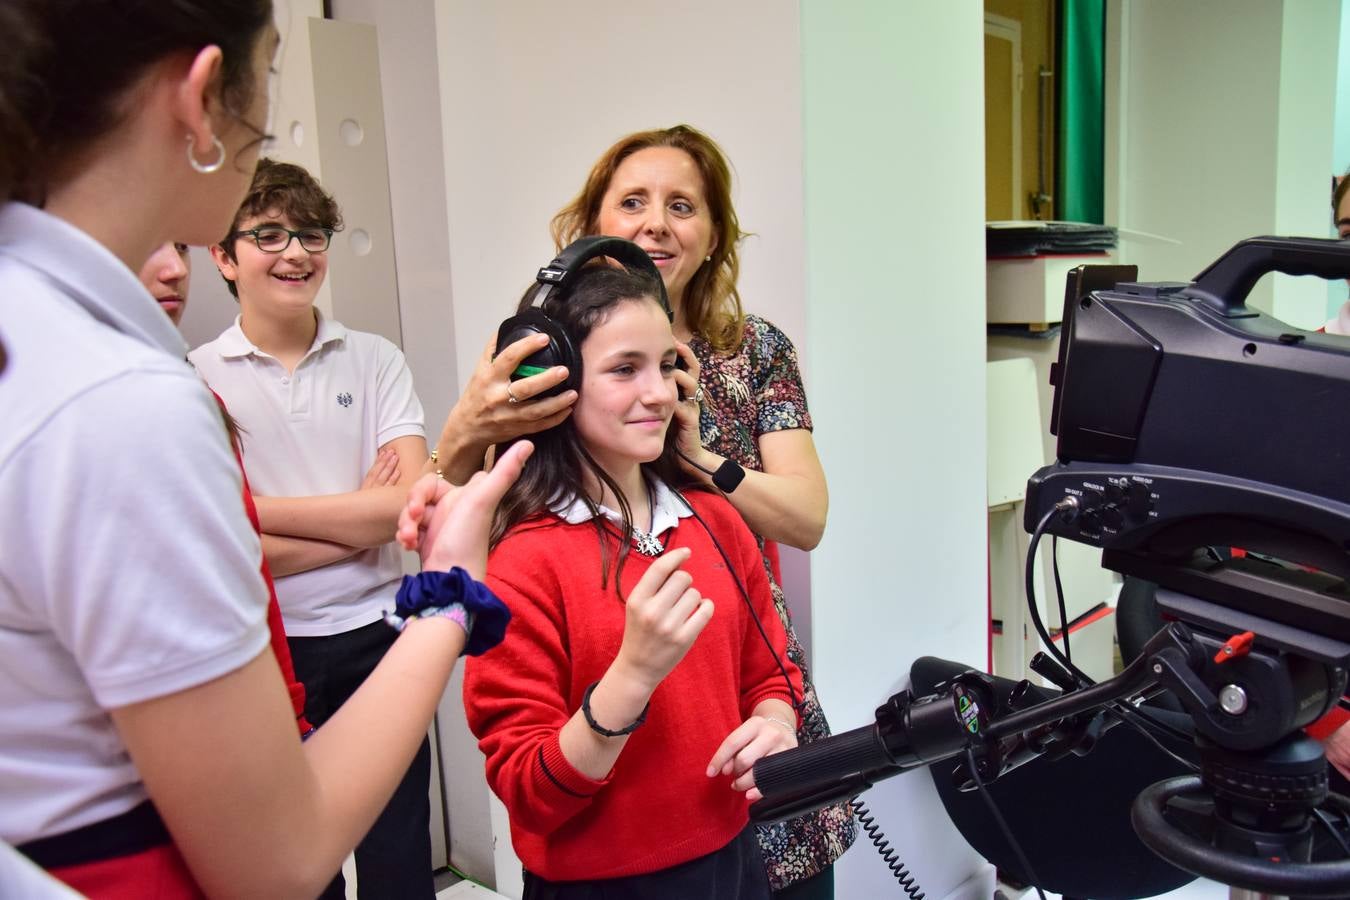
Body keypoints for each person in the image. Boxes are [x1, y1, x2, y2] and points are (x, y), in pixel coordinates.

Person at [0, 4, 528, 897]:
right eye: (270, 87)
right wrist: (450, 587)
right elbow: (273, 863)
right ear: (204, 95)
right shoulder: (127, 402)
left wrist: (266, 522)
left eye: (309, 234)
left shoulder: (39, 338)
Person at [555, 125, 854, 898]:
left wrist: (706, 466)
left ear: (714, 232)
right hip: (612, 676)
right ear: (593, 221)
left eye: (682, 205)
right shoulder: (549, 350)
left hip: (751, 674)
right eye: (633, 201)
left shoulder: (752, 350)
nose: (656, 221)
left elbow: (807, 516)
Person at [463, 260, 803, 899]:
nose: (659, 393)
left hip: (732, 862)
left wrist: (776, 721)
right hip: (600, 885)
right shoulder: (519, 563)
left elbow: (772, 672)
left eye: (667, 366)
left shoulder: (718, 521)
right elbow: (528, 791)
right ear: (549, 383)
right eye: (625, 369)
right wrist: (633, 675)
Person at [190, 158, 436, 899]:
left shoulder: (375, 359)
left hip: (379, 637)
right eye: (268, 234)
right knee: (299, 869)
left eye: (311, 233)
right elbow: (225, 551)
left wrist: (255, 512)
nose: (296, 252)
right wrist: (362, 524)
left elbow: (409, 507)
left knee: (399, 854)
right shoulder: (194, 378)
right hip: (268, 654)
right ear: (224, 256)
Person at [138, 240, 317, 736]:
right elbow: (235, 553)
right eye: (149, 241)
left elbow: (242, 555)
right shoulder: (134, 408)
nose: (174, 269)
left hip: (267, 691)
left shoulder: (189, 388)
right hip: (208, 715)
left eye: (179, 247)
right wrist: (365, 537)